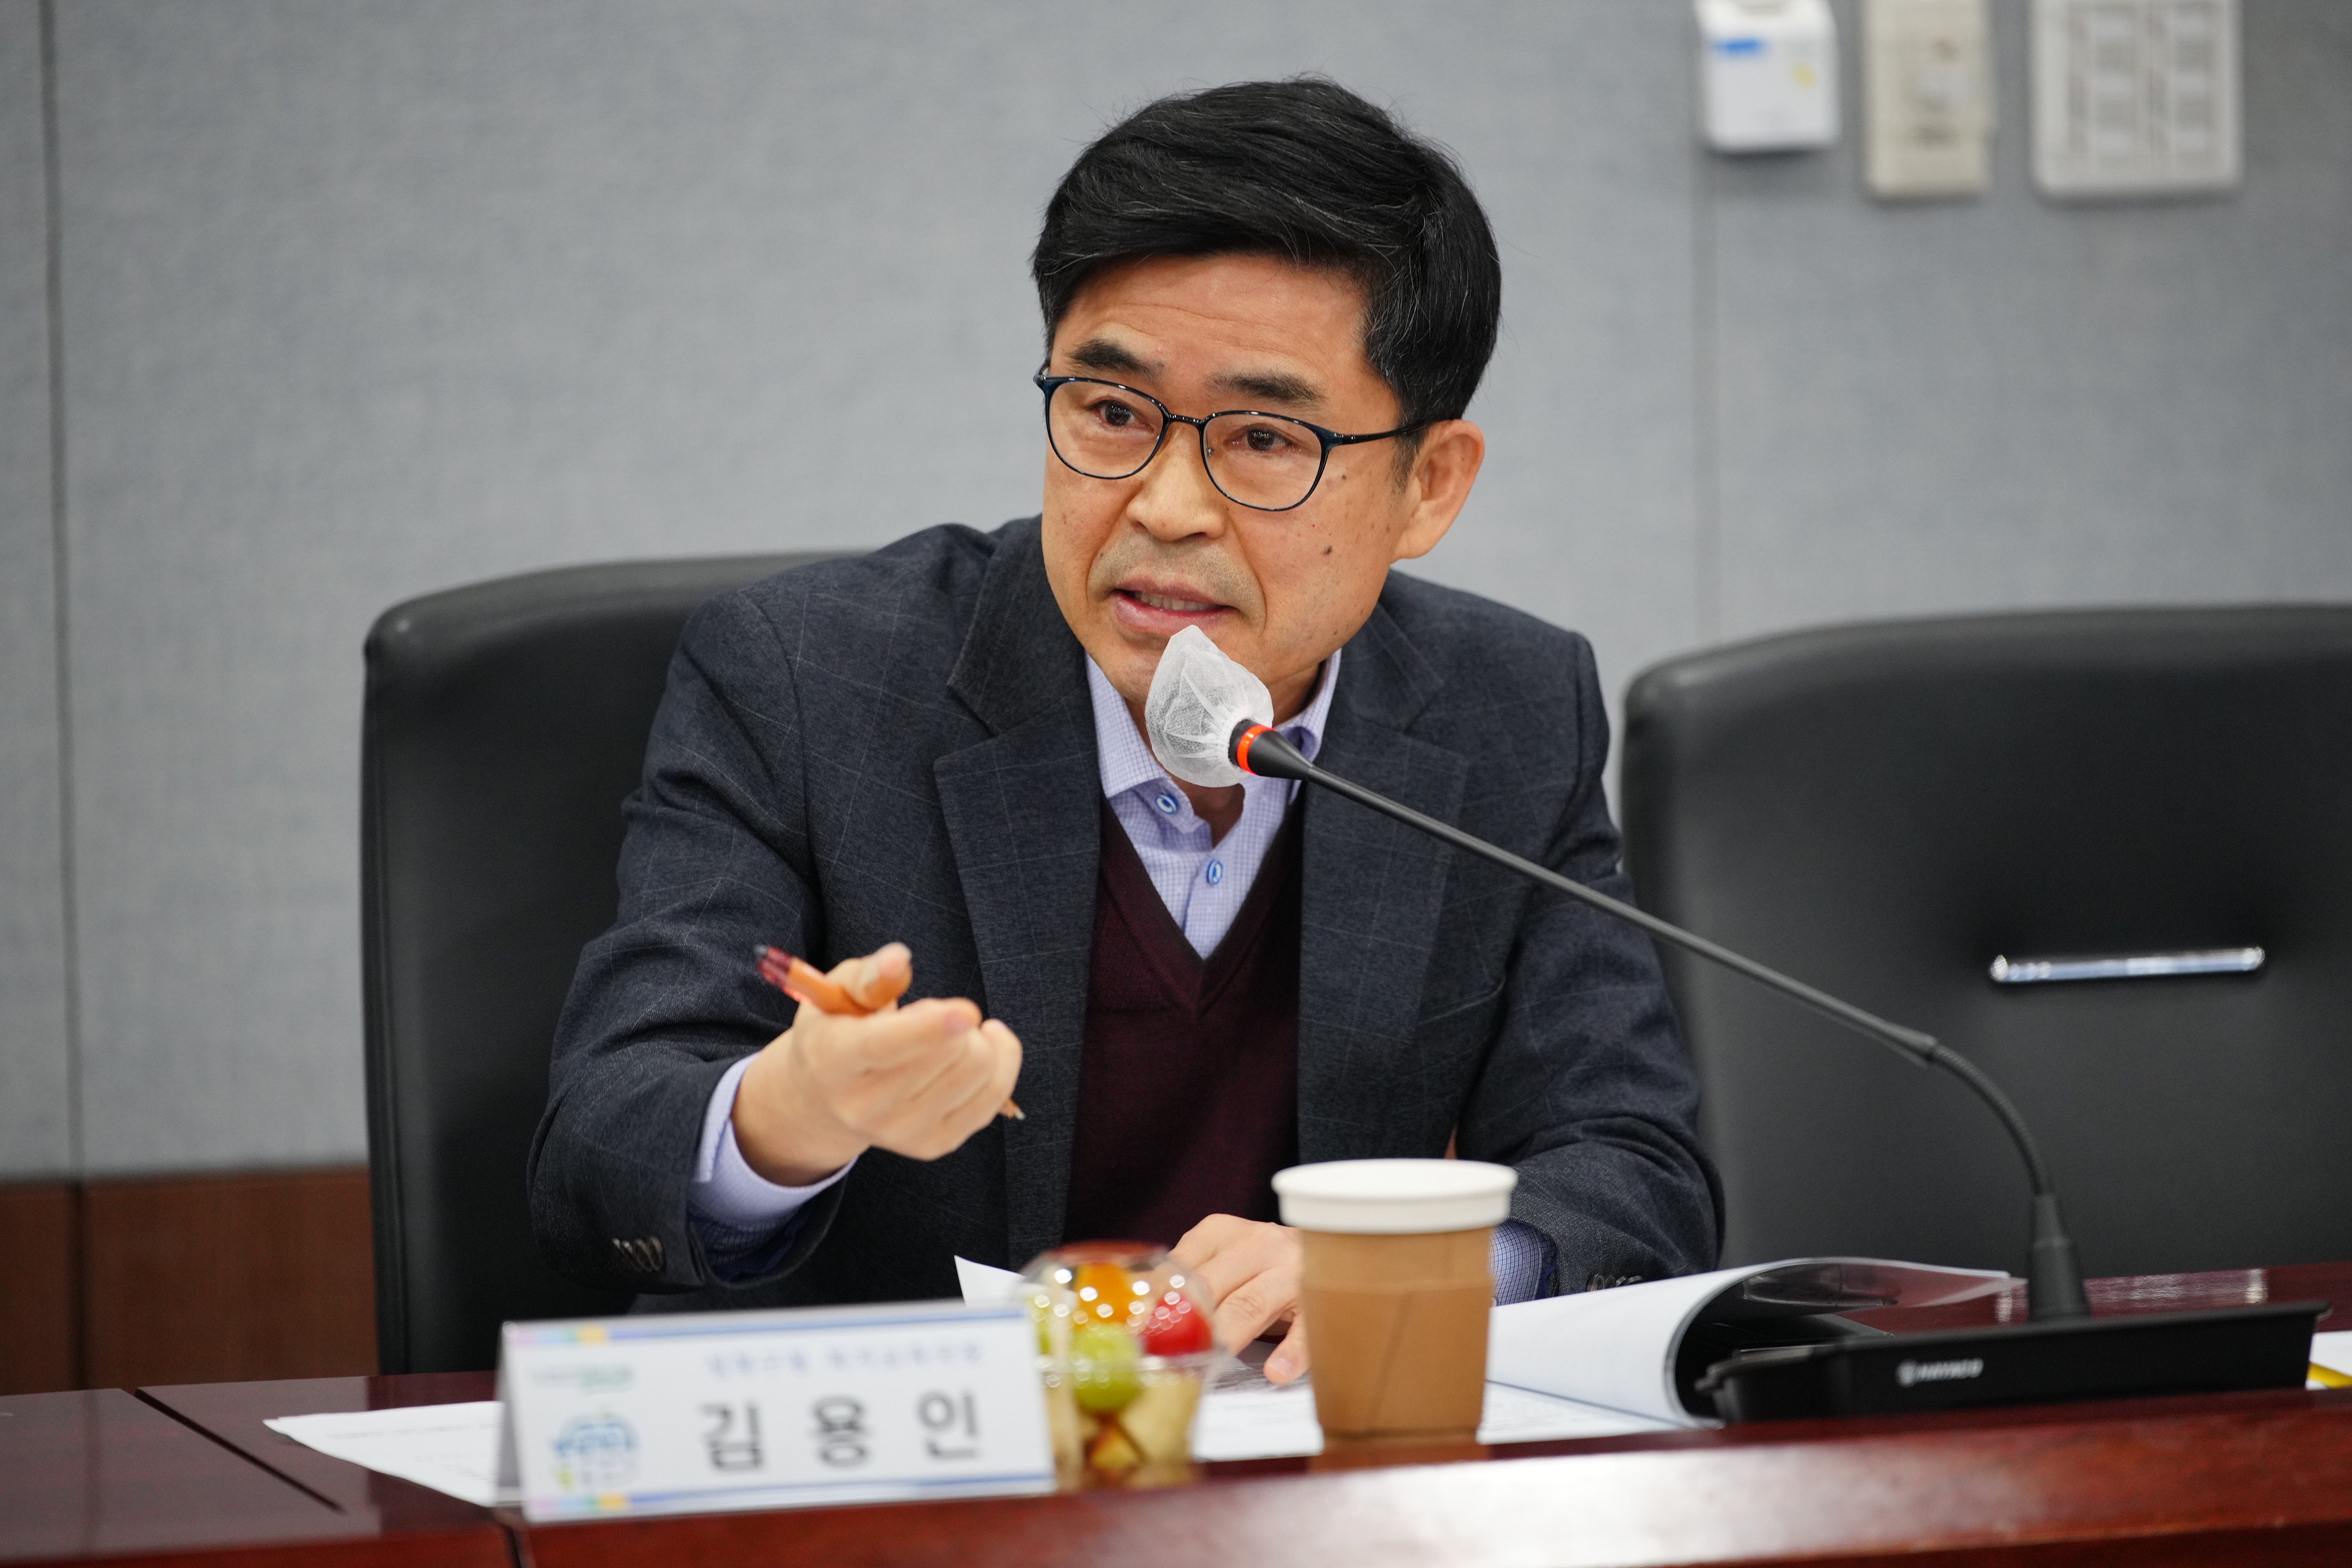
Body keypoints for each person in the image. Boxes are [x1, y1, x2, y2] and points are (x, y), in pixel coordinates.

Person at [531, 76, 1719, 1385]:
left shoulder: (1507, 710)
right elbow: (599, 1145)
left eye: (1262, 438)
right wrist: (787, 1116)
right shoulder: (811, 678)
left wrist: (1418, 1268)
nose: (1165, 505)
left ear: (1427, 486)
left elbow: (1634, 1171)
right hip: (914, 1459)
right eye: (1111, 413)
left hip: (1309, 1461)